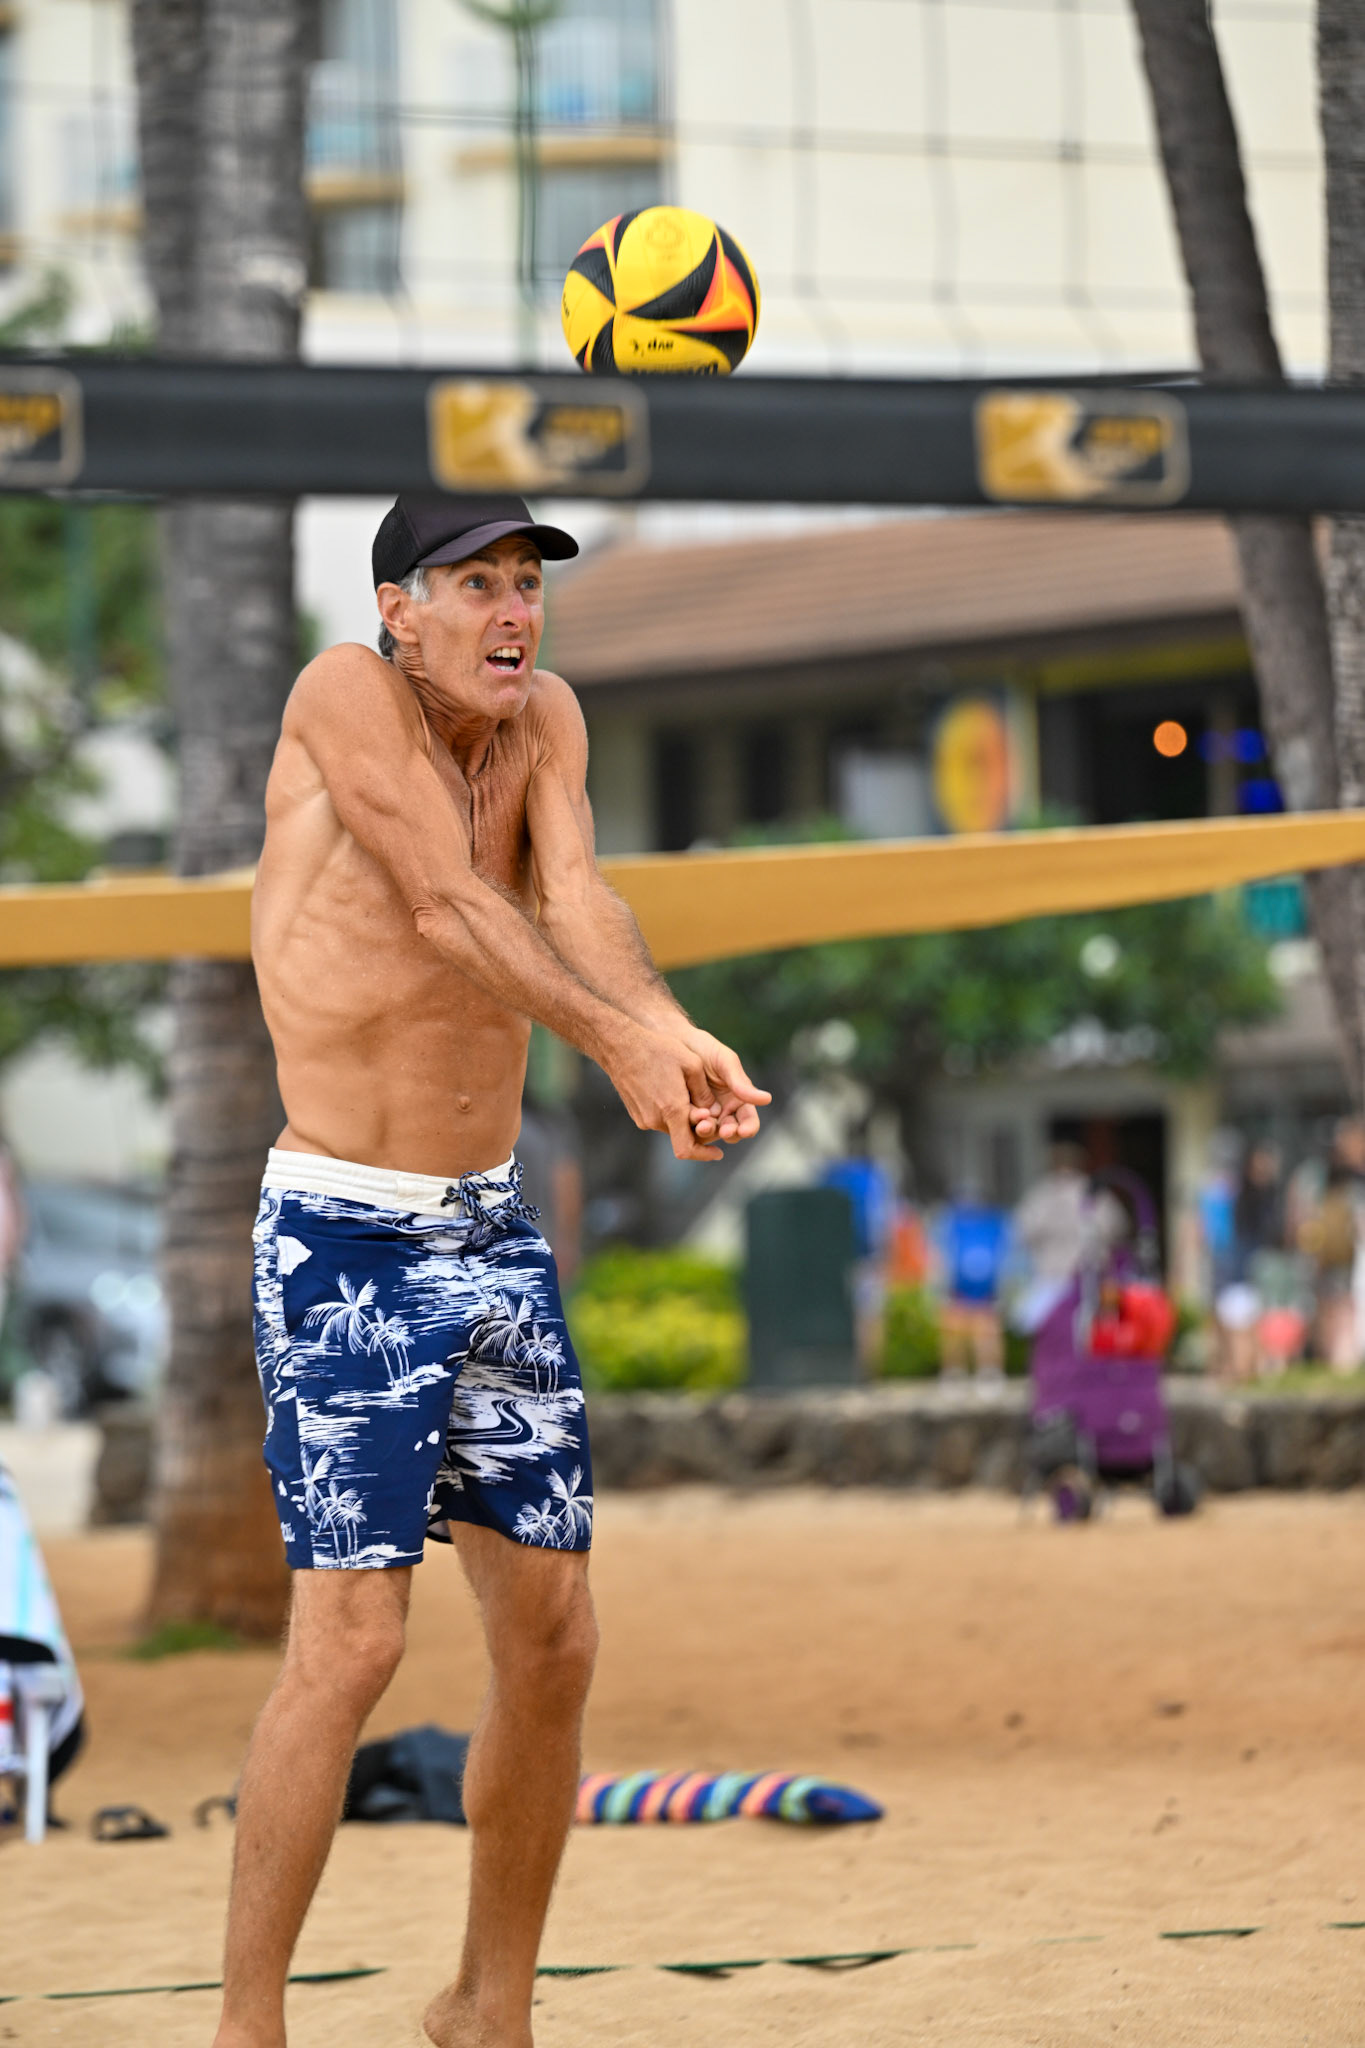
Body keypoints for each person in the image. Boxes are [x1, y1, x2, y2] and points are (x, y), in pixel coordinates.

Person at [229, 492, 770, 2048]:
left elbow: (569, 898)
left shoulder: (547, 727)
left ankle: (489, 2009)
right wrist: (615, 1051)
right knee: (353, 1647)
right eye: (475, 584)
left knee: (553, 1638)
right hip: (343, 1229)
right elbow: (448, 905)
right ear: (399, 609)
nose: (512, 609)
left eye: (527, 582)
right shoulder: (343, 692)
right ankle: (248, 2026)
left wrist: (665, 1032)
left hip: (487, 1229)